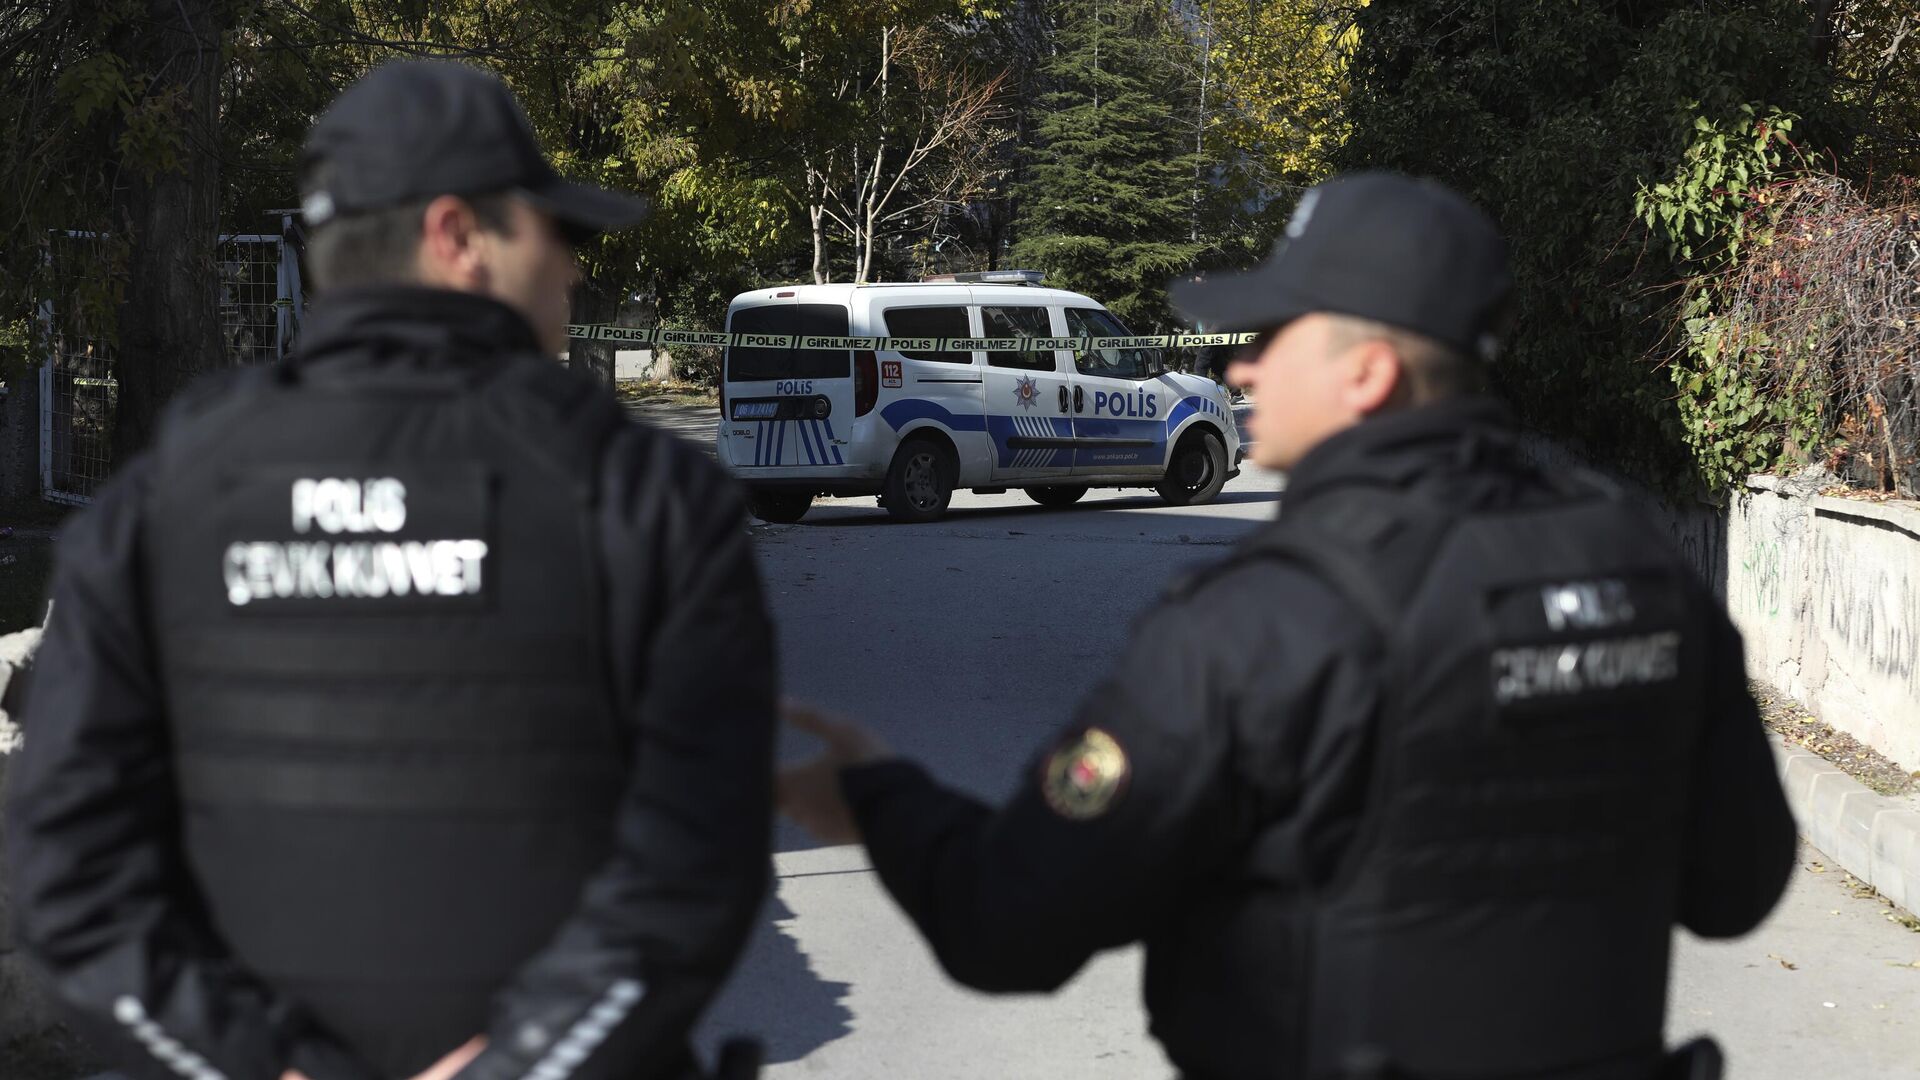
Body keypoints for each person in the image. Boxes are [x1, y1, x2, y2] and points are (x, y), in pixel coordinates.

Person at [778, 171, 1796, 1080]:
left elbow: (1007, 922)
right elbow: (1738, 887)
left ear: (1368, 373)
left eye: (1273, 336)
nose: (1242, 370)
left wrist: (879, 798)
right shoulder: (1641, 566)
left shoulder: (1255, 627)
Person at [6, 60, 776, 1080]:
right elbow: (696, 862)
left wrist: (248, 1064)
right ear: (457, 235)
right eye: (556, 233)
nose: (573, 268)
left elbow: (69, 875)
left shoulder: (156, 504)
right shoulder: (650, 499)